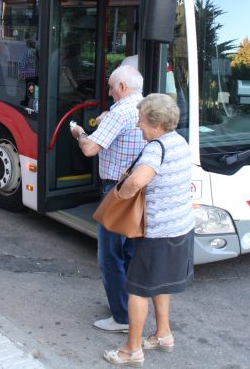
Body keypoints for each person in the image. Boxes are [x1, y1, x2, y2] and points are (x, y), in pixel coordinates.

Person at [101, 93, 196, 366]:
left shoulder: (157, 148)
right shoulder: (180, 142)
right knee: (159, 283)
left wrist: (120, 195)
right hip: (180, 228)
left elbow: (137, 182)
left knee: (138, 290)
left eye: (142, 121)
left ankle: (131, 350)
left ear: (156, 125)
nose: (139, 126)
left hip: (157, 233)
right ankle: (163, 335)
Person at [70, 64, 145, 333]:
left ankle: (122, 318)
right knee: (130, 252)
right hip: (140, 188)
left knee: (109, 255)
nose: (110, 92)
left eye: (112, 87)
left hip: (117, 190)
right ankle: (128, 305)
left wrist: (79, 133)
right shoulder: (146, 107)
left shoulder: (119, 111)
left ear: (123, 87)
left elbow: (90, 149)